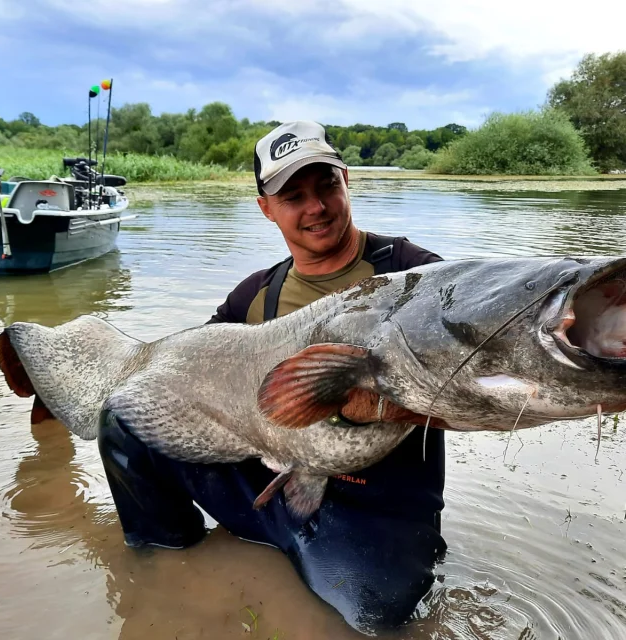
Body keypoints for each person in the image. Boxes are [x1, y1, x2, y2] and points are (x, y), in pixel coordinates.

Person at [98, 121, 447, 636]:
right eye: (293, 195)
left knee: (371, 624)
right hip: (267, 489)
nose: (316, 208)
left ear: (346, 180)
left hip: (375, 512)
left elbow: (469, 385)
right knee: (127, 413)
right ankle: (162, 558)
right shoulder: (254, 296)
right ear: (266, 208)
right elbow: (183, 378)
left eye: (326, 185)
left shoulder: (415, 275)